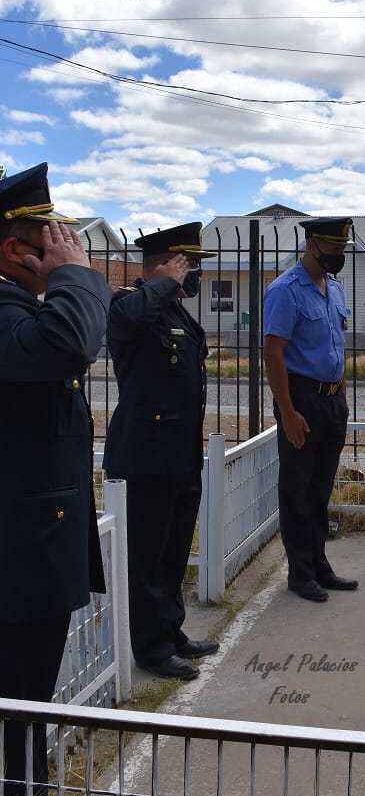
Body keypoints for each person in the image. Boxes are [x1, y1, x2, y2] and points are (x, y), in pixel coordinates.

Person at [0, 163, 113, 796]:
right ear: (16, 252)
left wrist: (65, 277)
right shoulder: (9, 311)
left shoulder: (17, 308)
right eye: (54, 239)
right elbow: (72, 340)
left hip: (26, 563)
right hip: (14, 574)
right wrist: (78, 277)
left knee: (24, 731)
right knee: (14, 738)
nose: (68, 246)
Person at [103, 222, 219, 681]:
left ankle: (171, 633)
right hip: (145, 457)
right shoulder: (129, 306)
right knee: (147, 558)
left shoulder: (177, 314)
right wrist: (162, 282)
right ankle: (150, 649)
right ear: (164, 265)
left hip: (180, 454)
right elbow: (125, 318)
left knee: (172, 553)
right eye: (188, 265)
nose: (193, 276)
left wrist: (168, 287)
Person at [263, 216, 359, 602]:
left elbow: (336, 345)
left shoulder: (334, 289)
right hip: (301, 399)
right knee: (297, 490)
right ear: (312, 244)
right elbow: (273, 352)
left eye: (342, 249)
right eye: (333, 249)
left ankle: (319, 563)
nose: (338, 255)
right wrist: (287, 411)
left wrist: (341, 392)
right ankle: (300, 573)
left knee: (320, 488)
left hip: (332, 400)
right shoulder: (285, 290)